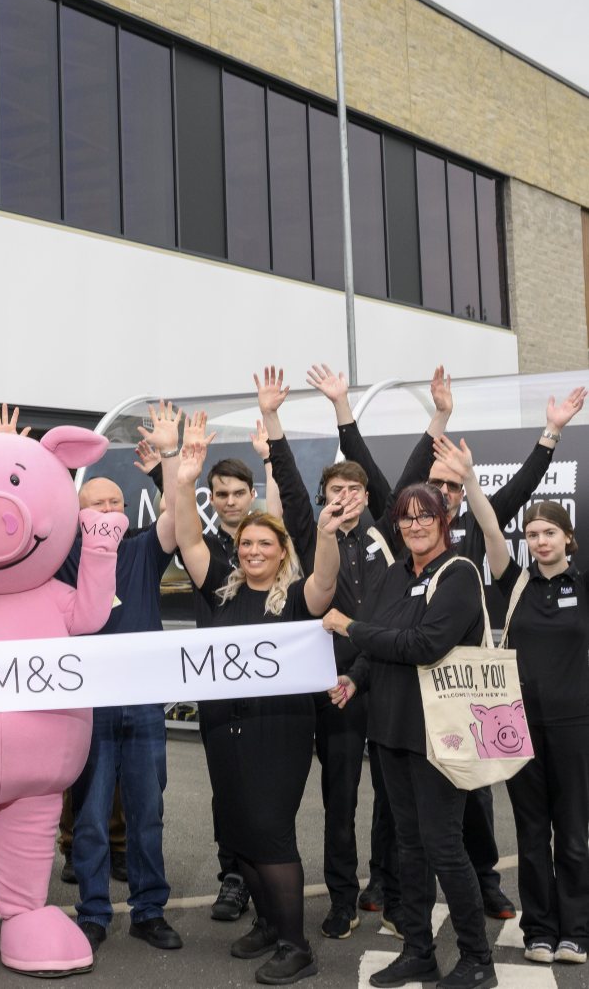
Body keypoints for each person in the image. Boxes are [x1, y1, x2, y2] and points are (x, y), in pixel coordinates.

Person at [312, 365, 586, 921]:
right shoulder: (408, 523)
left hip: (467, 680)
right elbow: (376, 469)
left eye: (451, 486)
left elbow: (522, 487)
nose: (440, 493)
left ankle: (486, 883)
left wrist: (550, 433)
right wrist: (344, 407)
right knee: (397, 799)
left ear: (462, 494)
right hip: (404, 680)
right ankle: (386, 884)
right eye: (433, 485)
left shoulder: (479, 530)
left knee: (474, 793)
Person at [259, 366, 449, 941]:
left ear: (369, 498)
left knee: (395, 802)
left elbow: (417, 472)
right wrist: (271, 417)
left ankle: (387, 891)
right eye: (334, 492)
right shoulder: (309, 530)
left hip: (389, 680)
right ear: (325, 499)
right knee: (339, 801)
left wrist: (436, 416)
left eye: (353, 491)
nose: (343, 499)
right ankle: (341, 900)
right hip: (334, 686)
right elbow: (289, 481)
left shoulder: (388, 533)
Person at [172, 432, 346, 985]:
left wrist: (323, 532)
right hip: (225, 730)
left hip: (281, 731)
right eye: (246, 545)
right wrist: (181, 481)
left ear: (280, 551)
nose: (252, 552)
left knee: (270, 832)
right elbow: (189, 540)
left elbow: (327, 580)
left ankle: (296, 946)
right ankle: (269, 925)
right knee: (239, 830)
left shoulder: (296, 599)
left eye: (264, 545)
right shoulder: (220, 593)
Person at [324, 469, 507, 989]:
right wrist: (356, 679)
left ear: (444, 519)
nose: (416, 524)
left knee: (444, 846)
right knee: (409, 847)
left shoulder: (460, 573)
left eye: (426, 514)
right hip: (391, 728)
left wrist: (350, 627)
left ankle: (477, 960)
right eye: (407, 517)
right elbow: (378, 644)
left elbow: (423, 643)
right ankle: (418, 950)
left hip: (440, 732)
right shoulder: (395, 571)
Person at [54, 402, 183, 959]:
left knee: (147, 812)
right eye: (96, 504)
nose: (108, 510)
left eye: (115, 503)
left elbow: (179, 517)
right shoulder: (62, 559)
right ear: (78, 516)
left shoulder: (143, 550)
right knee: (88, 816)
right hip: (89, 704)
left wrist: (170, 459)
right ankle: (94, 912)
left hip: (144, 703)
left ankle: (150, 911)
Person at [151, 407, 281, 925]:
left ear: (252, 497)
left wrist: (272, 459)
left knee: (267, 787)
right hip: (217, 686)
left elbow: (287, 514)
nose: (229, 502)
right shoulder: (203, 548)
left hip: (271, 687)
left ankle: (268, 874)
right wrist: (177, 464)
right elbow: (180, 526)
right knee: (226, 786)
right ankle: (233, 877)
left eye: (237, 493)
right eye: (220, 494)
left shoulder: (272, 544)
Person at [481, 496, 588, 965]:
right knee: (529, 832)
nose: (540, 541)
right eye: (532, 534)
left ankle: (576, 932)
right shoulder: (514, 584)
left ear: (567, 536)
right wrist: (468, 479)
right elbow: (488, 528)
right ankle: (539, 931)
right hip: (517, 728)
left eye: (549, 532)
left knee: (573, 833)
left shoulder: (584, 586)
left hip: (575, 727)